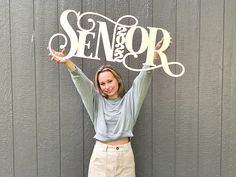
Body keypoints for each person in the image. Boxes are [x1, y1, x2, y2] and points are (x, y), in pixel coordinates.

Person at [49, 38, 169, 177]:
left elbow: (144, 76)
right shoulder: (96, 101)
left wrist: (154, 54)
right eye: (102, 84)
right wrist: (67, 61)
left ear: (117, 80)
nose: (107, 86)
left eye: (109, 81)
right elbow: (80, 80)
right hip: (101, 157)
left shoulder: (130, 100)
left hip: (125, 157)